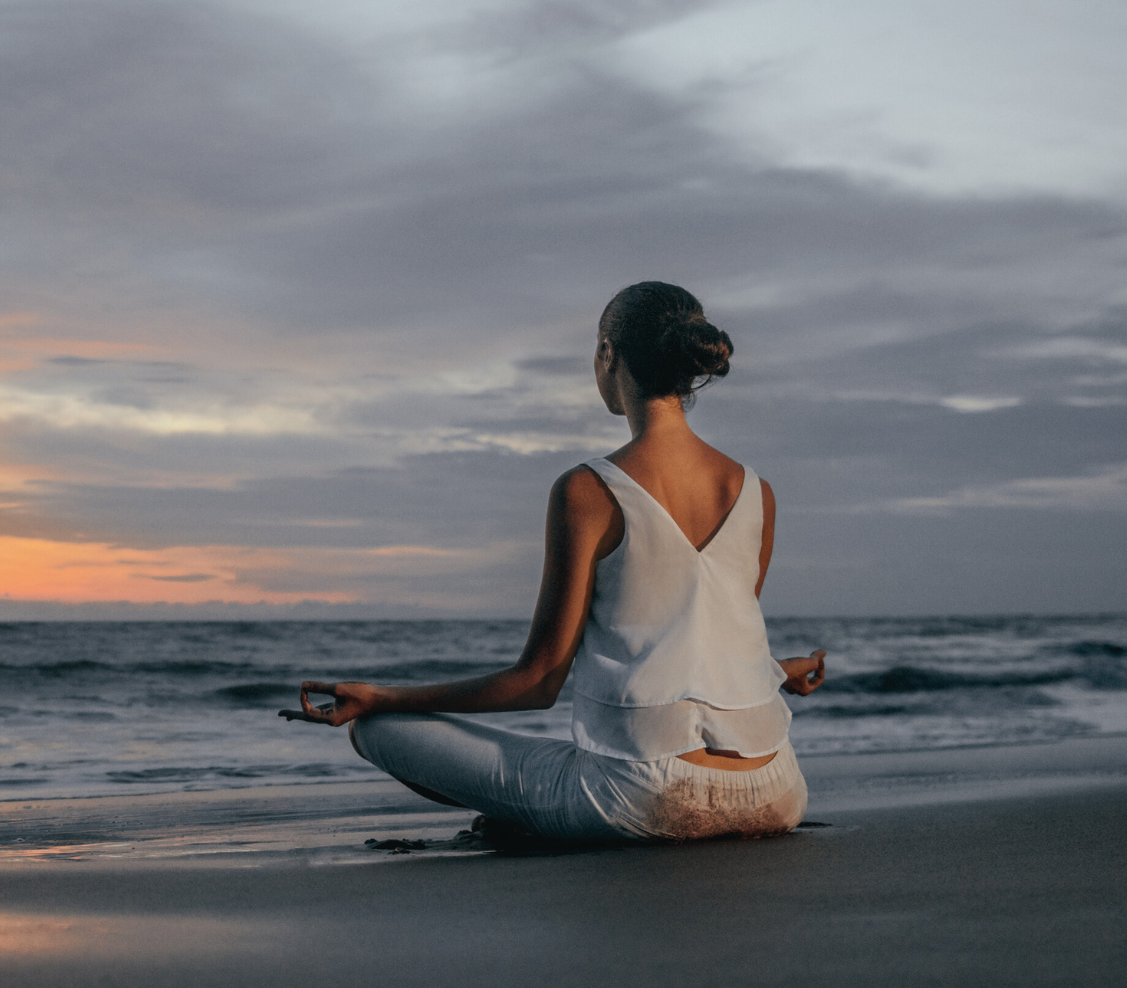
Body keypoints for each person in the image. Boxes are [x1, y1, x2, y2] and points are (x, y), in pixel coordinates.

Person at [282, 281, 827, 842]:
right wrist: (777, 671)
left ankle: (534, 819)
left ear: (608, 354)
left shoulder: (588, 491)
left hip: (645, 801)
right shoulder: (756, 492)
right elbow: (700, 640)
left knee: (378, 732)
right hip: (777, 790)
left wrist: (381, 697)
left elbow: (537, 682)